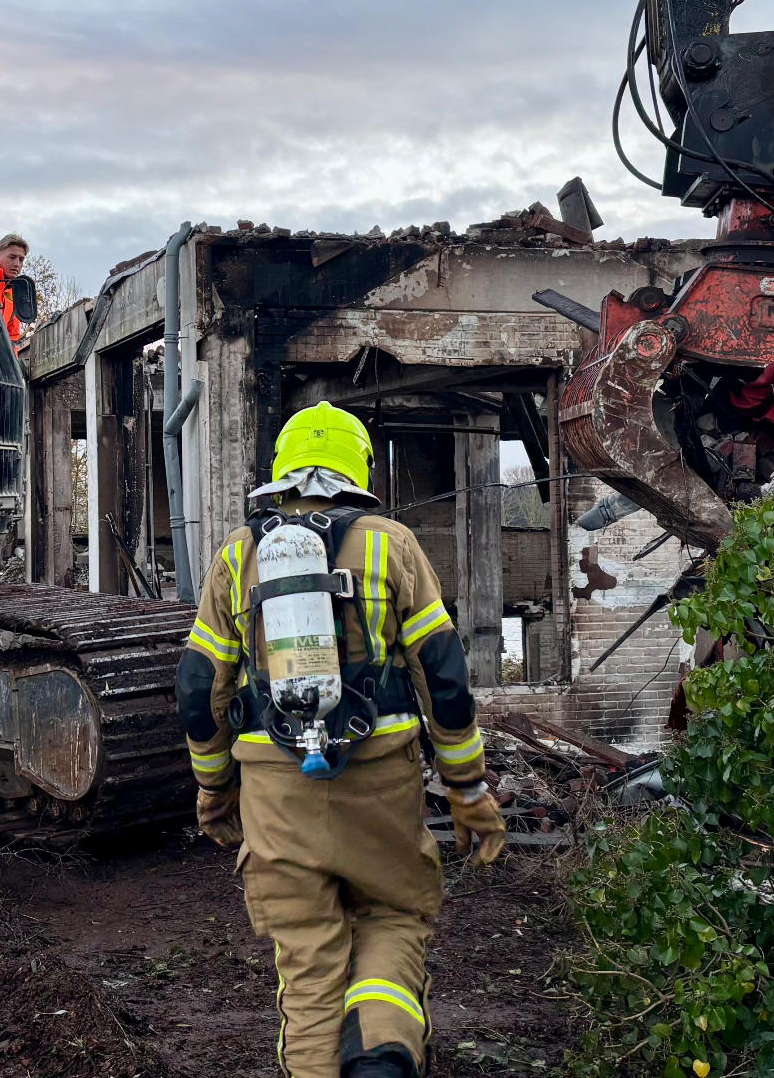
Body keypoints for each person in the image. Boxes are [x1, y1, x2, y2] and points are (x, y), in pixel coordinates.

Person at [174, 402, 507, 1078]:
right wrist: (468, 789)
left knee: (307, 976)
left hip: (274, 796)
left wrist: (214, 789)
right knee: (392, 917)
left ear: (282, 471)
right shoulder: (392, 544)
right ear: (360, 469)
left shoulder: (238, 556)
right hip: (379, 788)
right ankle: (382, 1058)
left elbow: (196, 687)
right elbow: (443, 678)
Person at [0, 233, 29, 343]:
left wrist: (12, 360)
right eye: (12, 257)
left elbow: (12, 338)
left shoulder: (14, 294)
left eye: (21, 260)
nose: (17, 264)